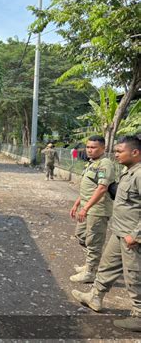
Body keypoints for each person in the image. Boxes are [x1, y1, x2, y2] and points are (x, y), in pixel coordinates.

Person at [71, 135, 141, 331]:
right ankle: (95, 296)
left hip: (132, 237)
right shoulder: (129, 172)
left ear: (135, 152)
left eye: (120, 151)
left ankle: (139, 315)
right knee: (107, 266)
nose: (116, 155)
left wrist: (136, 235)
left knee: (134, 276)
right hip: (120, 231)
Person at [69, 135, 115, 283]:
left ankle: (90, 272)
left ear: (103, 148)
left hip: (97, 210)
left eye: (93, 147)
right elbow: (88, 187)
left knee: (94, 240)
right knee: (81, 235)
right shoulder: (92, 163)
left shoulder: (105, 164)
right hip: (86, 207)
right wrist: (77, 204)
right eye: (88, 147)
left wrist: (86, 207)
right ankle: (90, 264)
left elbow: (102, 188)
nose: (90, 150)